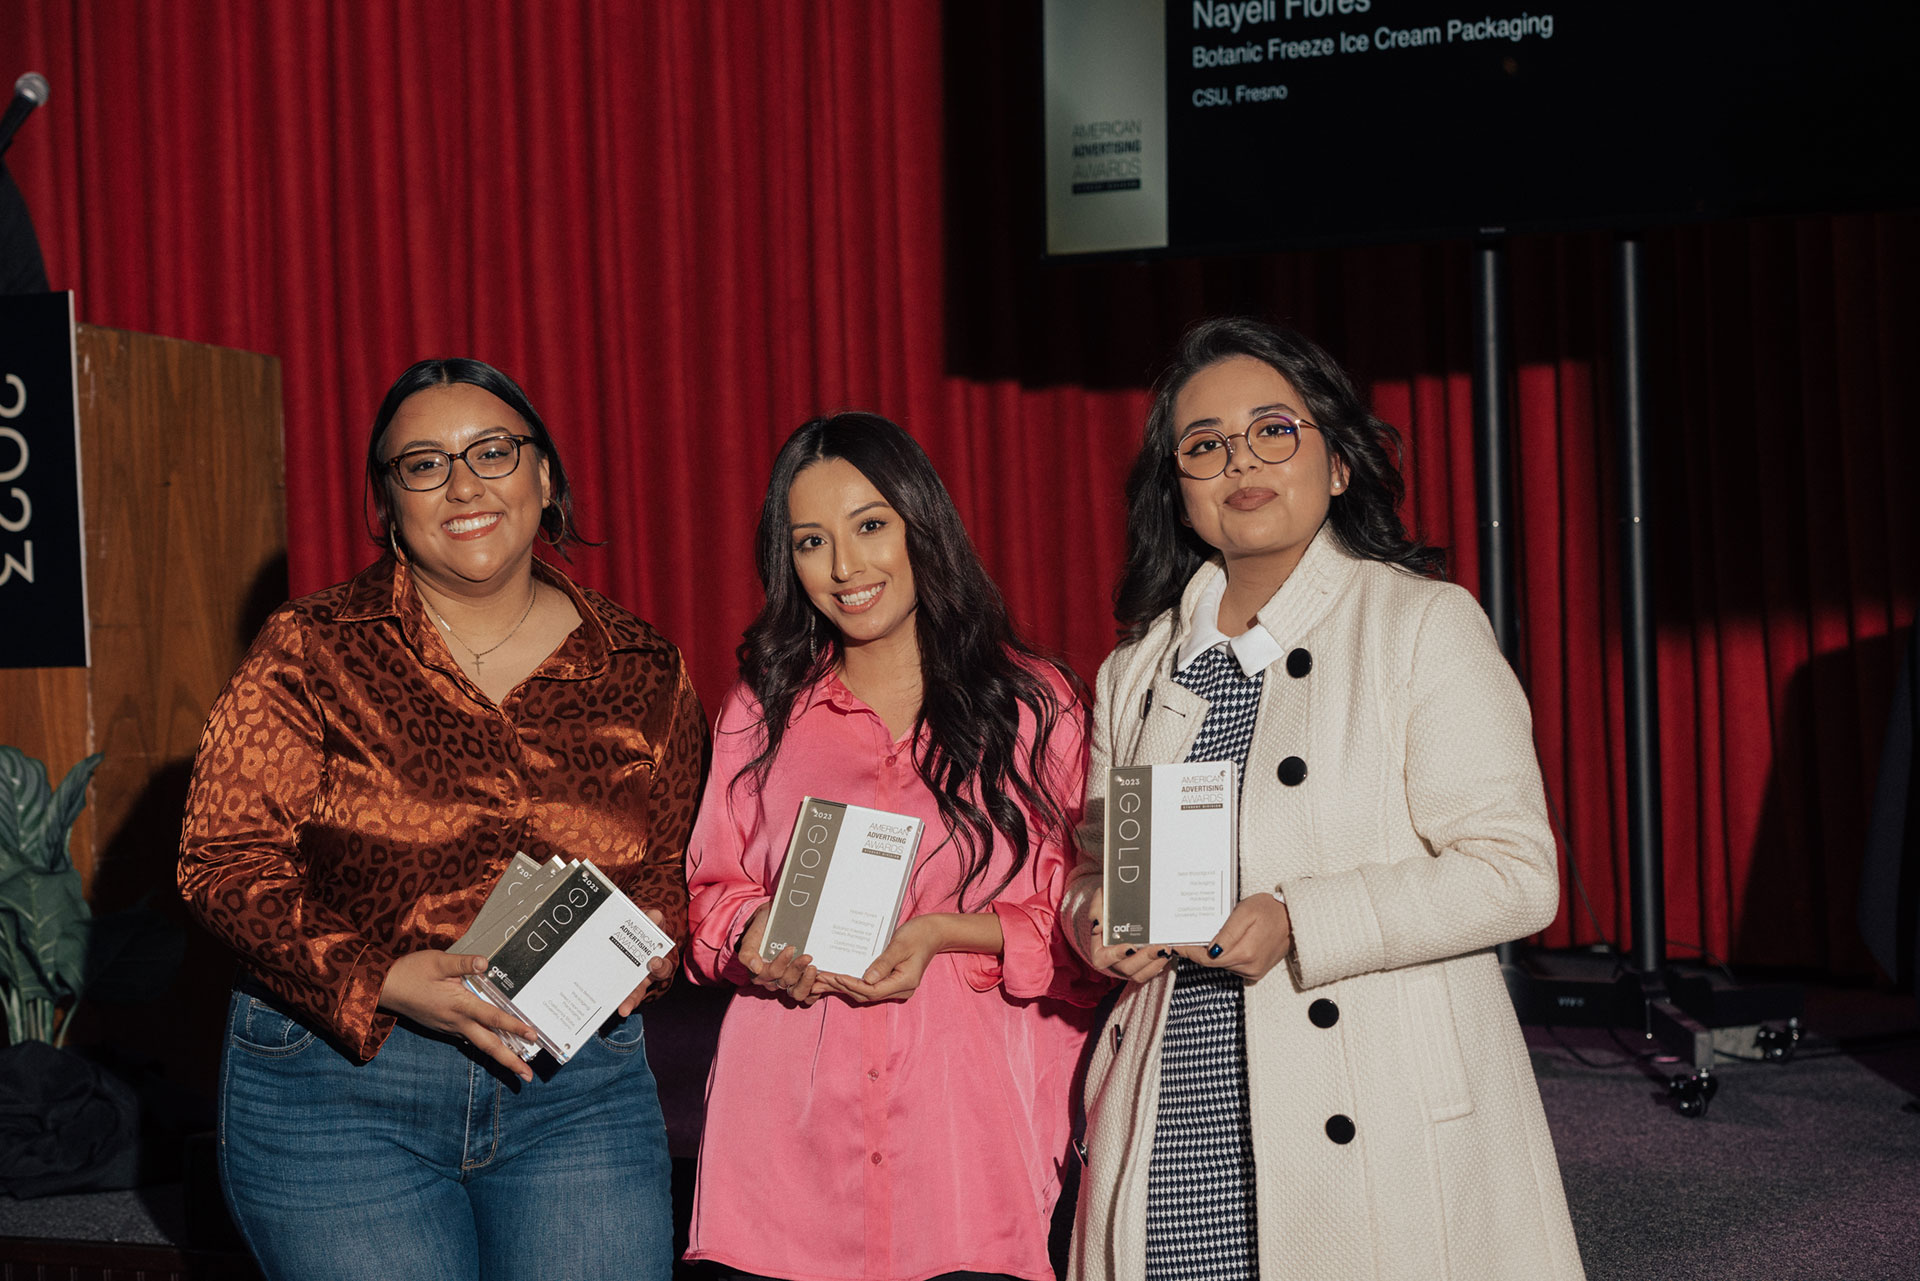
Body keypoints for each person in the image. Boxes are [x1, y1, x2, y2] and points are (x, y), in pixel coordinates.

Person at [1063, 318, 1586, 1281]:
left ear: (1338, 463)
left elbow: (1516, 875)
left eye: (1274, 430)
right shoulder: (1135, 670)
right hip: (1176, 1097)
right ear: (1177, 490)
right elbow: (1093, 869)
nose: (1240, 460)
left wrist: (1301, 918)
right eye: (1204, 444)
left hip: (1372, 1101)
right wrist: (1094, 917)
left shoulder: (1420, 622)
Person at [178, 358, 705, 1281]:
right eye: (423, 464)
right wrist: (379, 976)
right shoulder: (311, 649)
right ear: (388, 503)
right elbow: (222, 861)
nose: (463, 485)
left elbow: (668, 868)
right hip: (340, 1085)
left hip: (573, 1085)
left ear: (545, 476)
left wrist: (643, 957)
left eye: (492, 452)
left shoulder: (642, 667)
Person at [681, 412, 1107, 1281]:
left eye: (870, 525)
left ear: (922, 524)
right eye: (811, 541)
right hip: (786, 1157)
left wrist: (946, 932)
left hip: (967, 1156)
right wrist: (752, 934)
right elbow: (710, 895)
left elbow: (1084, 925)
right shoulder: (761, 712)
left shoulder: (1035, 706)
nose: (845, 566)